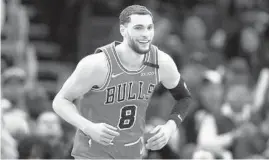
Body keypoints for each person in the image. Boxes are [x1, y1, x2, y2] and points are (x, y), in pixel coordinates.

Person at [52, 5, 192, 159]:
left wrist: (169, 128)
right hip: (92, 152)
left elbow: (184, 97)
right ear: (123, 30)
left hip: (131, 153)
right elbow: (60, 101)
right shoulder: (97, 64)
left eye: (149, 28)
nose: (145, 34)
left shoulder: (161, 62)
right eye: (138, 28)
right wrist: (88, 127)